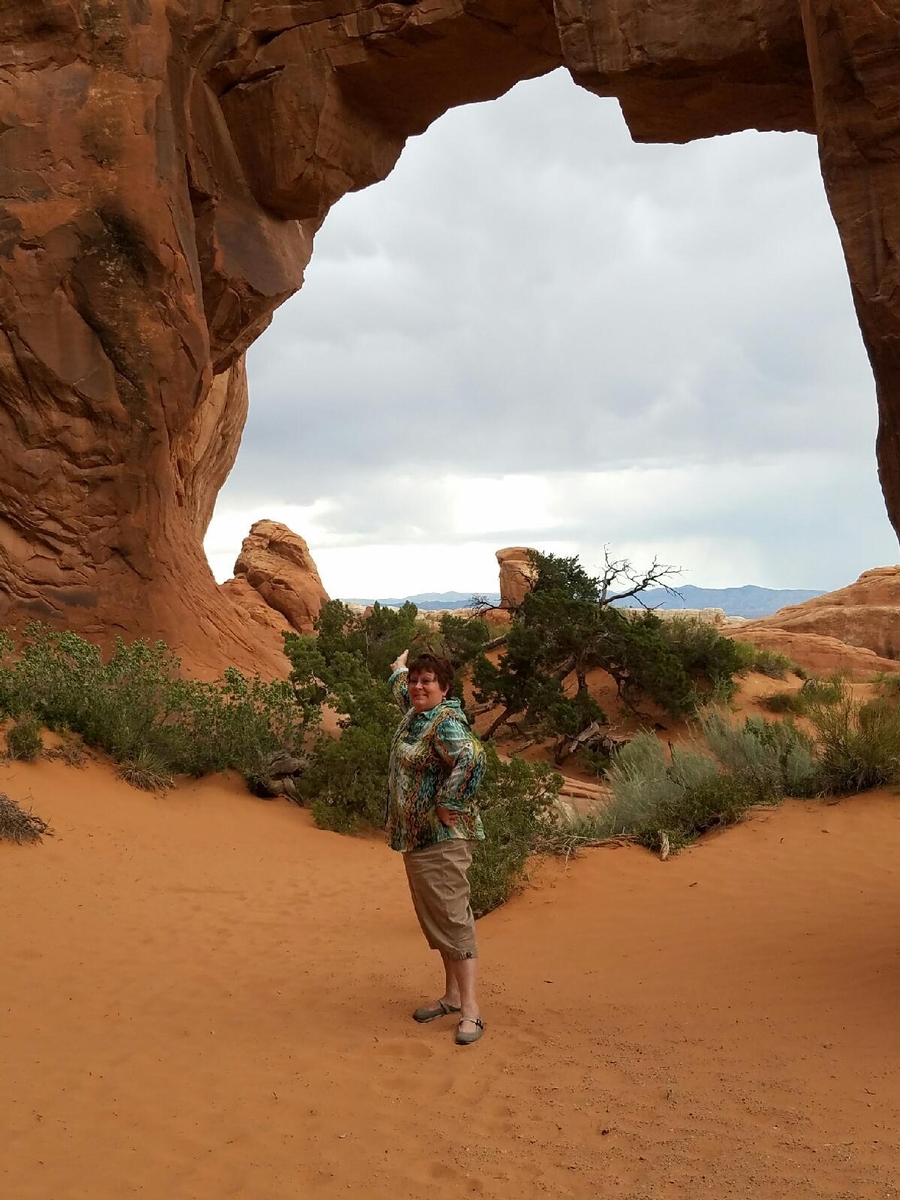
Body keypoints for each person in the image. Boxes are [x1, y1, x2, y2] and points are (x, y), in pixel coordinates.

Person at [386, 648, 487, 1045]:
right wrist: (398, 670)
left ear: (445, 688)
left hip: (442, 840)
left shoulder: (444, 722)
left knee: (453, 918)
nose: (417, 686)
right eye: (415, 679)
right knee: (438, 919)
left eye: (427, 680)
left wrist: (450, 801)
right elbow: (404, 694)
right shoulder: (417, 714)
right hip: (418, 839)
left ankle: (472, 1011)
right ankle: (451, 996)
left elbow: (473, 758)